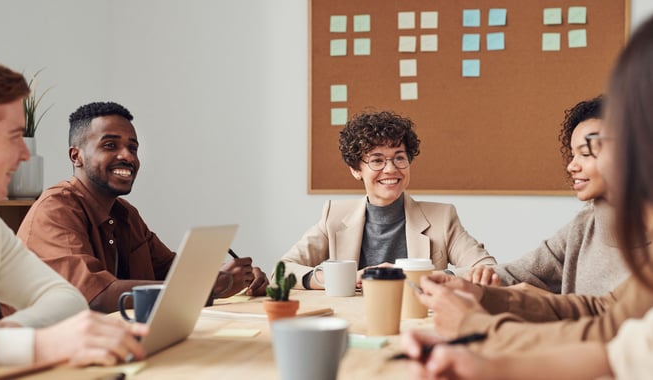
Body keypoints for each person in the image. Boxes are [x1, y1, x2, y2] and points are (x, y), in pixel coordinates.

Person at [401, 15, 653, 379]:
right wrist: (478, 296)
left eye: (595, 147)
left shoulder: (444, 215)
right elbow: (607, 317)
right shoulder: (586, 225)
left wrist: (476, 325)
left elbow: (608, 335)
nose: (574, 166)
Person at [14, 101, 269, 313]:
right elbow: (95, 297)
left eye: (132, 147)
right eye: (110, 145)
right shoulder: (55, 209)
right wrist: (211, 284)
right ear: (76, 156)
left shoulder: (124, 213)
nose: (128, 156)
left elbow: (171, 271)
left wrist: (236, 275)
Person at [0, 55, 148, 367]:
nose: (25, 155)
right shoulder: (55, 206)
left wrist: (3, 336)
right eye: (16, 136)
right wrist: (34, 344)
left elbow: (68, 300)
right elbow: (89, 299)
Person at [280, 110, 497, 290]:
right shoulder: (334, 215)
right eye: (377, 160)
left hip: (416, 318)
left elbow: (488, 270)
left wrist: (417, 276)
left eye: (399, 158)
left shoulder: (442, 217)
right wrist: (342, 278)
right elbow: (283, 270)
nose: (391, 169)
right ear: (356, 170)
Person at [467, 96, 630, 296]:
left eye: (585, 154)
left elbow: (610, 319)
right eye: (572, 155)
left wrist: (542, 300)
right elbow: (520, 272)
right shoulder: (582, 228)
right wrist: (465, 278)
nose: (572, 166)